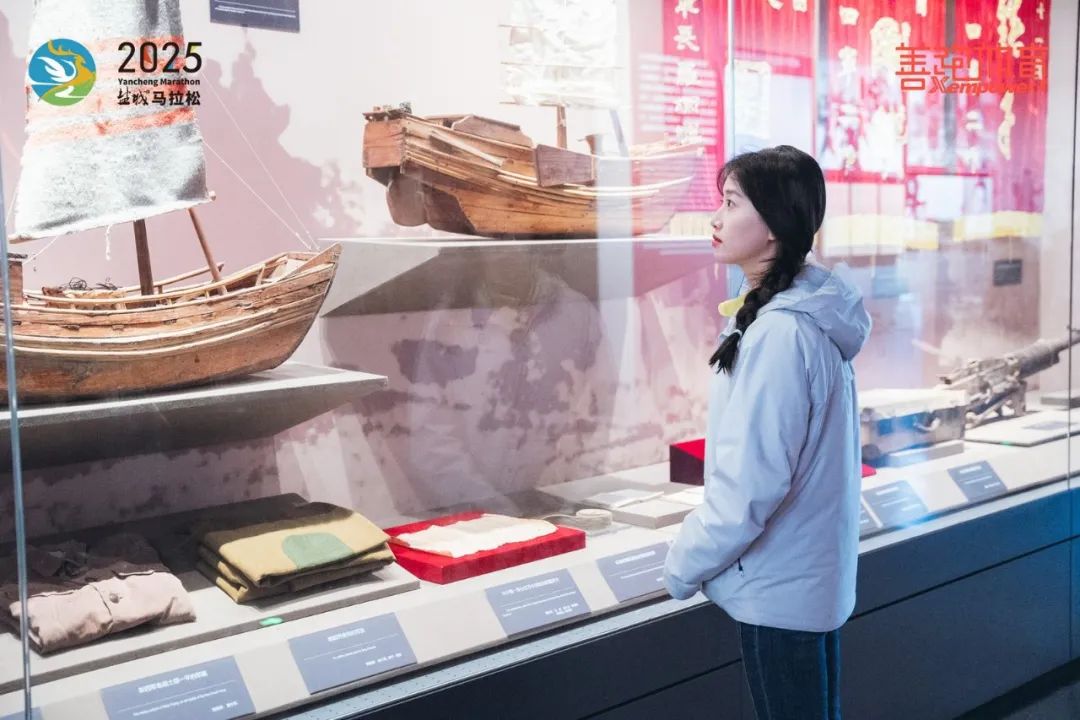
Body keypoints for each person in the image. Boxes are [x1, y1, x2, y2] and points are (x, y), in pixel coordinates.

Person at [663, 145, 872, 720]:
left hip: (779, 591)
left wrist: (681, 564)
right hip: (801, 583)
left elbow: (749, 487)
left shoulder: (781, 335)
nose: (715, 218)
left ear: (775, 226)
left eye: (731, 203)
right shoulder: (797, 320)